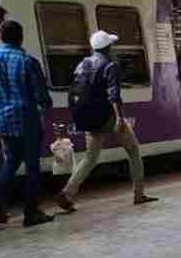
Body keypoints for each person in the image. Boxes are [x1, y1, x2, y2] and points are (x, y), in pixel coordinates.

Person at [56, 30, 157, 211]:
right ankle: (139, 194)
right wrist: (119, 118)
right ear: (108, 48)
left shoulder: (82, 64)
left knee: (90, 157)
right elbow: (114, 95)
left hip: (89, 117)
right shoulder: (110, 65)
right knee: (133, 151)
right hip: (108, 117)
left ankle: (67, 193)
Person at [0, 21, 54, 226]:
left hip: (4, 121)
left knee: (11, 162)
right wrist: (46, 113)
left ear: (1, 37)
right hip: (28, 120)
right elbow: (42, 97)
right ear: (21, 37)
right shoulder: (28, 61)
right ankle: (31, 213)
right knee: (32, 168)